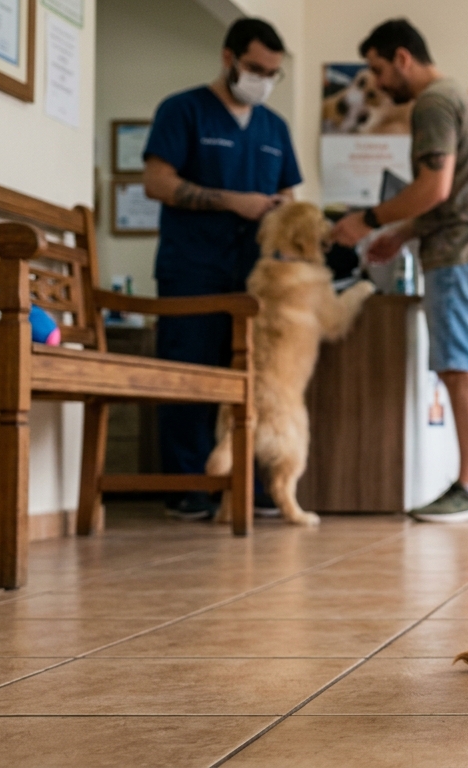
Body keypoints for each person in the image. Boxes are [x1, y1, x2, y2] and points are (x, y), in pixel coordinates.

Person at [333, 19, 468, 522]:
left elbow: (434, 187)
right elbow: (449, 195)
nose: (378, 82)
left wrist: (367, 221)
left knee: (460, 370)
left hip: (462, 253)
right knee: (466, 368)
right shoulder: (456, 96)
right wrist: (402, 233)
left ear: (403, 58)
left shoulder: (432, 102)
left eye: (378, 69)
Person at [142, 18, 302, 520]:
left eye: (273, 72)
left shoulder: (275, 128)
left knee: (253, 380)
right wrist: (233, 201)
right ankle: (189, 488)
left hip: (254, 279)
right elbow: (157, 182)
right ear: (228, 57)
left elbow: (290, 195)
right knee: (188, 375)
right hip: (193, 269)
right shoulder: (183, 110)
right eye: (255, 68)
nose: (263, 79)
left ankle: (248, 488)